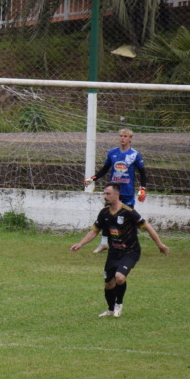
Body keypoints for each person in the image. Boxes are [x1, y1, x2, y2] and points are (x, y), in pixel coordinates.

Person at [70, 182, 169, 317]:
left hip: (130, 251)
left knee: (119, 277)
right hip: (114, 252)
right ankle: (111, 309)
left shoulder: (129, 212)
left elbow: (147, 227)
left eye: (108, 194)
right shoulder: (104, 213)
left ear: (117, 195)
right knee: (109, 284)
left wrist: (160, 245)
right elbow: (94, 231)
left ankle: (119, 304)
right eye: (104, 193)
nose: (105, 196)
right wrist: (81, 243)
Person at [84, 128, 149, 253]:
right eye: (121, 136)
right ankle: (104, 243)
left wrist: (143, 189)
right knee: (107, 218)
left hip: (127, 192)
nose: (122, 138)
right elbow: (104, 169)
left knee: (130, 219)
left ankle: (132, 244)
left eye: (125, 136)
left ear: (130, 139)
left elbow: (142, 173)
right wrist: (92, 179)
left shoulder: (134, 155)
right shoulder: (112, 153)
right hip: (113, 193)